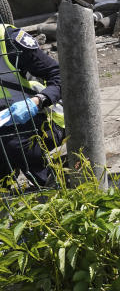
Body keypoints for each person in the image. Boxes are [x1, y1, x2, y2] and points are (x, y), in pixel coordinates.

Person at [0, 16, 64, 188]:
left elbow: (60, 77)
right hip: (5, 124)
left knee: (11, 140)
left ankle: (52, 183)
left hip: (45, 118)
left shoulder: (10, 40)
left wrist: (37, 101)